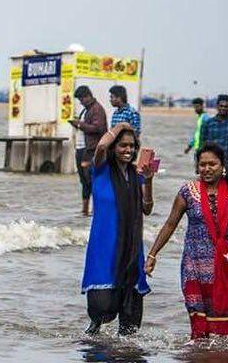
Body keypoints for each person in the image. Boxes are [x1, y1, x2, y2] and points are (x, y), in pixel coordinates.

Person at [145, 143, 228, 339]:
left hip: (225, 264)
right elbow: (170, 224)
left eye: (212, 164)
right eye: (202, 164)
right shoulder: (187, 192)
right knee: (197, 318)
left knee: (224, 324)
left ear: (223, 165)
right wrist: (153, 254)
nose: (207, 169)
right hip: (193, 264)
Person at [81, 122, 156, 335]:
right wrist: (121, 125)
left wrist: (148, 181)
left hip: (132, 250)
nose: (128, 150)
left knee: (130, 324)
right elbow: (101, 147)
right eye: (123, 145)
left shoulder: (136, 174)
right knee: (102, 310)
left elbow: (147, 208)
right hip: (104, 248)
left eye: (132, 146)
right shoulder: (101, 169)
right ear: (114, 147)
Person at [69, 86, 107, 216]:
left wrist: (79, 124)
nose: (81, 102)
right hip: (82, 149)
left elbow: (98, 128)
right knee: (84, 181)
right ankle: (85, 211)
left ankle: (96, 210)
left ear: (88, 96)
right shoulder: (88, 109)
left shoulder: (97, 109)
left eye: (82, 99)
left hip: (90, 150)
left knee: (92, 180)